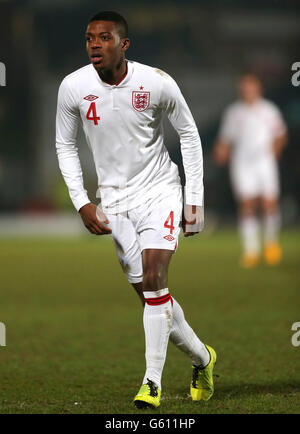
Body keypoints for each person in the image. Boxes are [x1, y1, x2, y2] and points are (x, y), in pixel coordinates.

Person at [55, 10, 216, 409]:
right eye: (90, 37)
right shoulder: (73, 87)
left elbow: (189, 135)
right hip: (113, 202)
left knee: (156, 279)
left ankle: (151, 383)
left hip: (160, 190)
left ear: (123, 45)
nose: (95, 44)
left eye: (104, 37)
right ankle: (203, 357)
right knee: (152, 298)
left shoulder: (156, 83)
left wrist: (192, 199)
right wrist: (81, 201)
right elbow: (64, 145)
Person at [213, 74, 287, 268]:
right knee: (247, 205)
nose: (248, 91)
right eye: (245, 88)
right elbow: (226, 138)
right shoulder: (234, 112)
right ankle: (251, 251)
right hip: (242, 162)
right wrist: (221, 150)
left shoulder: (268, 110)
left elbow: (280, 134)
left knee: (269, 203)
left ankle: (271, 244)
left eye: (251, 87)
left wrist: (275, 150)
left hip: (264, 160)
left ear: (258, 89)